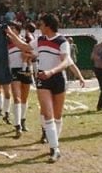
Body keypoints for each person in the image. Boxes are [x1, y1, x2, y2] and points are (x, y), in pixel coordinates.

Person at [29, 14, 74, 163]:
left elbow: (66, 61)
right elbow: (26, 47)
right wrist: (9, 33)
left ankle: (55, 143)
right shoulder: (40, 40)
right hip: (43, 79)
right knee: (48, 114)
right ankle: (54, 149)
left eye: (40, 24)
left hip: (57, 79)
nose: (39, 27)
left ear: (48, 25)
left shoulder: (62, 42)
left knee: (57, 116)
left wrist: (52, 72)